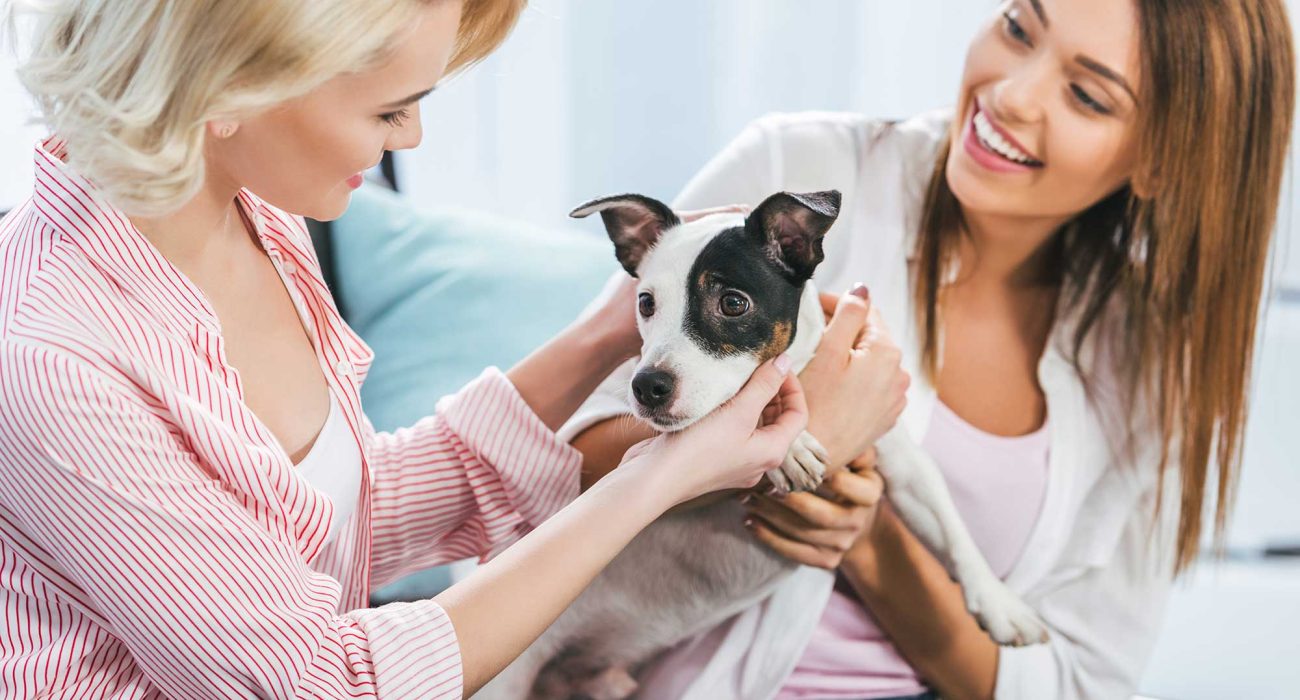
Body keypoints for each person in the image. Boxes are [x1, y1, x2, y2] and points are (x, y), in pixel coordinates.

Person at [0, 1, 903, 697]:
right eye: (391, 110)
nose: (414, 138)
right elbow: (325, 682)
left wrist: (604, 333)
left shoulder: (251, 208)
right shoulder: (52, 356)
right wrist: (662, 476)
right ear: (230, 87)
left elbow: (349, 516)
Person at [569, 0, 1296, 698]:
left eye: (1086, 94)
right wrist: (765, 452)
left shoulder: (1149, 360)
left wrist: (868, 532)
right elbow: (559, 457)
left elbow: (1078, 681)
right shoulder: (798, 166)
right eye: (1018, 26)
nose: (1011, 95)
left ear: (1162, 162)